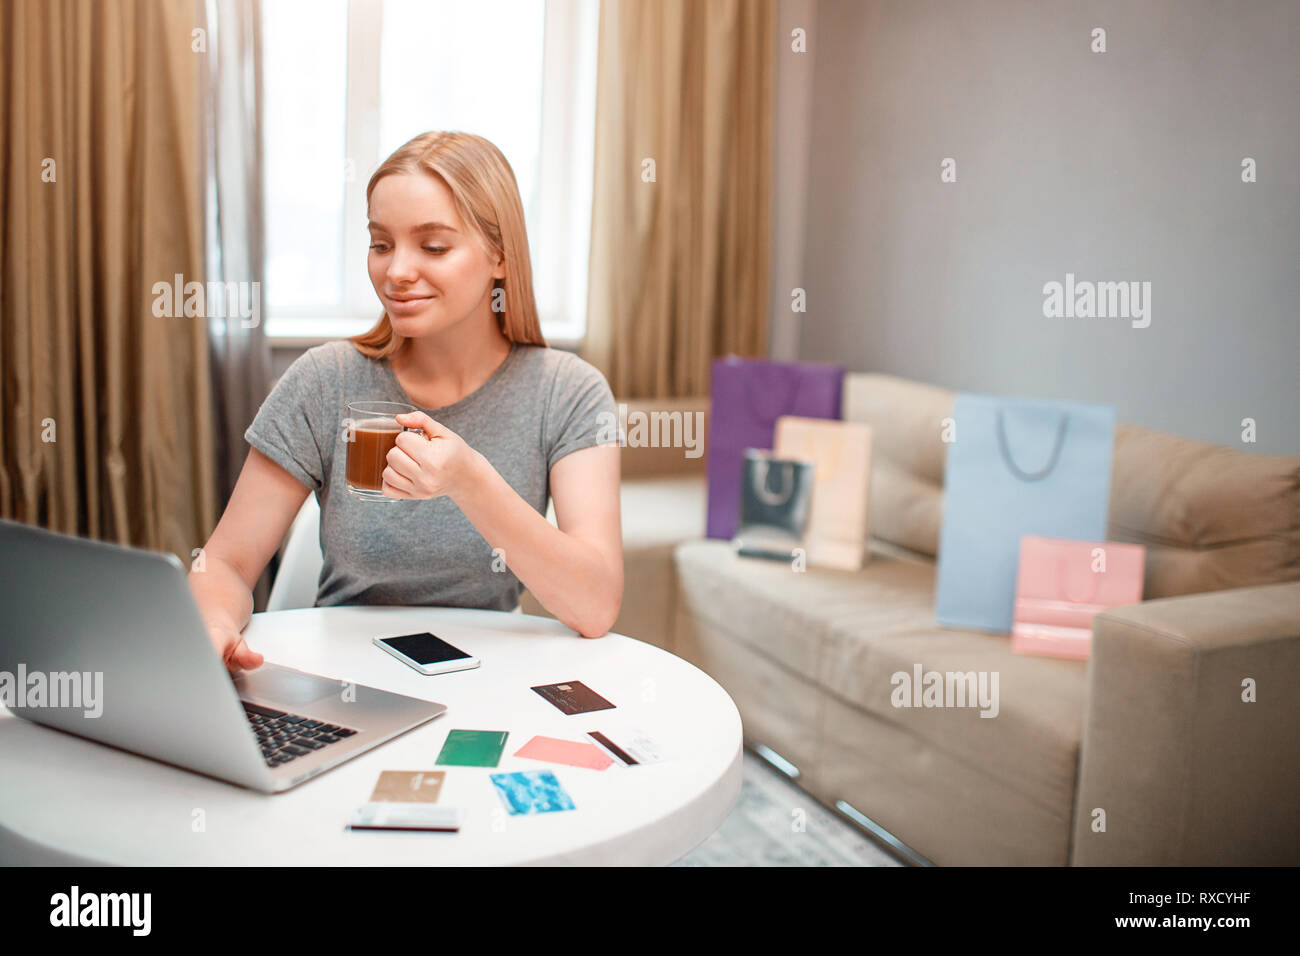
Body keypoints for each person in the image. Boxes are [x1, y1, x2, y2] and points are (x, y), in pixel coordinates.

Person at [190, 131, 623, 674]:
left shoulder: (568, 392)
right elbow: (225, 563)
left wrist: (470, 481)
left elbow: (595, 604)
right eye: (381, 243)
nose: (396, 272)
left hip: (491, 682)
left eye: (434, 246)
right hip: (345, 680)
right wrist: (212, 623)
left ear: (501, 258)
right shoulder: (327, 381)